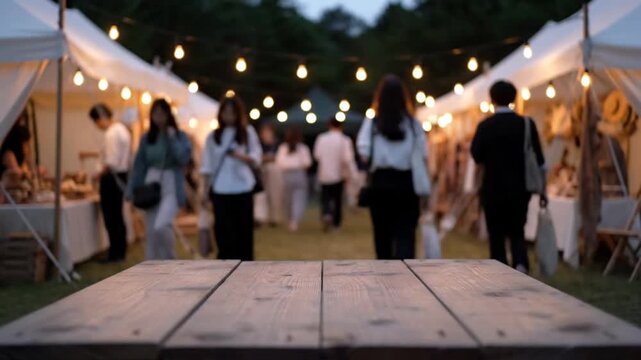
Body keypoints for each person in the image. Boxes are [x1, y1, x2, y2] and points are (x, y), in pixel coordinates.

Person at [471, 80, 545, 274]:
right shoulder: (526, 124)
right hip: (520, 188)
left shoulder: (485, 126)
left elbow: (476, 155)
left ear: (492, 99)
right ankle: (520, 264)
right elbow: (539, 159)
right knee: (517, 230)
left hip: (492, 188)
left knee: (496, 234)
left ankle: (500, 269)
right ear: (514, 97)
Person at [356, 75, 429, 259]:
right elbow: (423, 153)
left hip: (379, 184)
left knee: (382, 237)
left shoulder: (372, 123)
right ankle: (406, 280)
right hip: (407, 184)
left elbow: (363, 151)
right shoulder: (413, 124)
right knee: (406, 236)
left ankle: (384, 280)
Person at [128, 99, 192, 260]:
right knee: (151, 230)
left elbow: (183, 158)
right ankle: (152, 265)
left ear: (168, 115)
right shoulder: (146, 138)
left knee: (162, 225)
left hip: (171, 181)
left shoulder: (179, 136)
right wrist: (132, 189)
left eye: (162, 113)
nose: (159, 117)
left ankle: (170, 260)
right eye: (156, 113)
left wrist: (172, 139)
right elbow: (139, 165)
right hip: (151, 182)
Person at [201, 96, 261, 260]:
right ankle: (224, 268)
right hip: (221, 188)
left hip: (243, 187)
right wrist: (204, 191)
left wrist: (242, 156)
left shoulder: (247, 132)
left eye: (232, 112)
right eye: (225, 112)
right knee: (223, 233)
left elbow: (256, 157)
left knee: (244, 234)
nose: (228, 116)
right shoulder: (213, 136)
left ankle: (245, 267)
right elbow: (207, 166)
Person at [89, 103, 132, 263]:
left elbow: (111, 161)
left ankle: (115, 253)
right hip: (122, 175)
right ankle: (120, 251)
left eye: (96, 121)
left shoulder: (112, 133)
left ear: (101, 118)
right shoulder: (123, 130)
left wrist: (98, 174)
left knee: (111, 216)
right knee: (118, 215)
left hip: (112, 178)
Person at [313, 118, 357, 231]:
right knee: (337, 200)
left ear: (329, 125)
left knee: (325, 198)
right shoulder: (344, 140)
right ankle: (336, 224)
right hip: (339, 174)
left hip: (324, 174)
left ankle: (326, 213)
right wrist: (352, 174)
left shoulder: (321, 138)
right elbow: (348, 158)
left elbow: (317, 155)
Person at [276, 127, 312, 232]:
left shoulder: (283, 148)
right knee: (298, 199)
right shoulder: (302, 148)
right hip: (298, 174)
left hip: (287, 175)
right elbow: (307, 163)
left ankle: (292, 219)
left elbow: (279, 162)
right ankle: (294, 220)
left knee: (289, 199)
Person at [254, 124, 283, 227]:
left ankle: (274, 217)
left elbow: (280, 158)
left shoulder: (278, 144)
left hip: (275, 170)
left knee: (275, 194)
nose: (264, 135)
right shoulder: (258, 144)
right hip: (262, 170)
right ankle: (260, 217)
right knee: (260, 194)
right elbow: (257, 157)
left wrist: (269, 158)